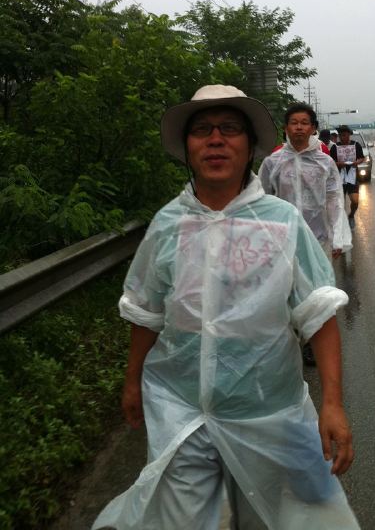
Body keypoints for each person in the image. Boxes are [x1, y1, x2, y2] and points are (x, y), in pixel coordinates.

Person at [92, 85, 359, 530]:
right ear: (186, 147)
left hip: (270, 413)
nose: (215, 139)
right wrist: (132, 380)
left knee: (281, 520)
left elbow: (318, 312)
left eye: (230, 129)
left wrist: (332, 403)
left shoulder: (281, 222)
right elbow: (145, 310)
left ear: (250, 145)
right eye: (202, 130)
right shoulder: (168, 224)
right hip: (183, 412)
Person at [258, 103, 352, 260]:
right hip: (283, 240)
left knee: (319, 283)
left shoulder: (325, 163)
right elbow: (262, 200)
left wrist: (338, 237)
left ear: (313, 128)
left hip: (319, 240)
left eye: (304, 123)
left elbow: (334, 199)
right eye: (294, 123)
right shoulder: (273, 162)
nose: (299, 127)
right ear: (286, 128)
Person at [329, 125, 365, 229]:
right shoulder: (335, 147)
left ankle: (351, 215)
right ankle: (340, 222)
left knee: (355, 201)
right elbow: (331, 162)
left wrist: (356, 162)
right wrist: (339, 164)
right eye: (340, 135)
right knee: (340, 203)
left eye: (344, 135)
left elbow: (361, 158)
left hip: (352, 176)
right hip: (339, 177)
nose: (342, 137)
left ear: (349, 135)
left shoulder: (356, 145)